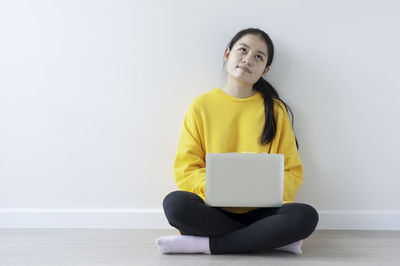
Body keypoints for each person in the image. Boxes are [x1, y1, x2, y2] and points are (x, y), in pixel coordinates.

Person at [155, 28, 319, 255]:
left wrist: (264, 190)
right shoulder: (200, 106)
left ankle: (207, 244)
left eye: (258, 57)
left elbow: (292, 171)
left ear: (265, 70)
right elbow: (186, 168)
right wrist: (217, 187)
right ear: (227, 54)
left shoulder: (275, 111)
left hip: (263, 210)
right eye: (243, 50)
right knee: (175, 204)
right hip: (213, 208)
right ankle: (267, 238)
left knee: (306, 216)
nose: (248, 59)